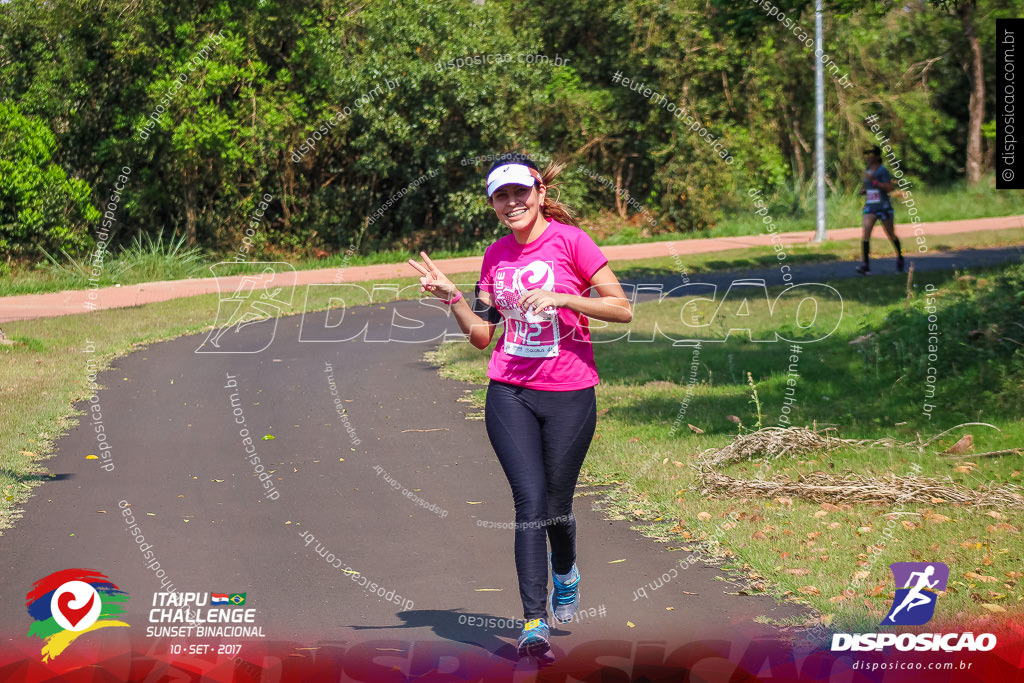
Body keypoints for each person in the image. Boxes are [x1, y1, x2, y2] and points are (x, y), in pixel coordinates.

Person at [407, 152, 632, 657]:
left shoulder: (571, 242)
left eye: (519, 193)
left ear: (540, 194)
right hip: (508, 390)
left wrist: (566, 298)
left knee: (556, 508)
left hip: (569, 393)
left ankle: (565, 570)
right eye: (501, 196)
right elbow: (483, 337)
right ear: (493, 204)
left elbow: (622, 309)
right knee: (529, 504)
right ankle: (534, 621)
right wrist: (453, 298)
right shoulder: (495, 255)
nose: (512, 203)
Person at [857, 146, 903, 275]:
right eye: (867, 154)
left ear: (877, 157)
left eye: (871, 154)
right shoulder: (867, 169)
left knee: (890, 234)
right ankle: (865, 264)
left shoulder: (882, 171)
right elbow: (870, 187)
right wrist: (865, 190)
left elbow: (889, 188)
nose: (868, 157)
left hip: (883, 207)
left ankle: (900, 257)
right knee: (866, 233)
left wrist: (875, 183)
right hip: (870, 206)